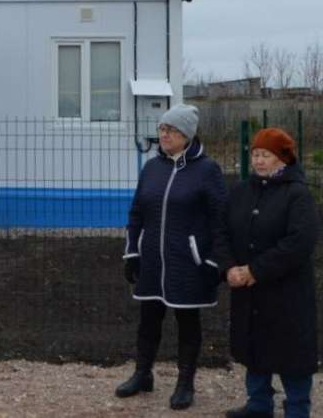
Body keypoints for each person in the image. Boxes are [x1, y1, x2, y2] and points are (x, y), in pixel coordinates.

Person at [117, 104, 227, 411]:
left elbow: (221, 220)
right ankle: (142, 373)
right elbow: (136, 213)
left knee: (187, 322)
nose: (164, 135)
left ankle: (185, 383)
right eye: (162, 129)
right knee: (148, 319)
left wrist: (214, 261)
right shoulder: (152, 168)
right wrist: (132, 251)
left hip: (188, 262)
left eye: (171, 130)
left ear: (187, 135)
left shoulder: (207, 170)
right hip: (153, 260)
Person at [216, 128, 318, 418]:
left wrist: (255, 270)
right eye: (256, 154)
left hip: (287, 293)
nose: (259, 161)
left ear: (283, 159)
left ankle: (297, 409)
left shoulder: (297, 194)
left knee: (292, 355)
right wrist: (228, 267)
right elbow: (221, 232)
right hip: (249, 291)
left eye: (266, 155)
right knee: (254, 348)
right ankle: (259, 404)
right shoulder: (240, 191)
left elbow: (299, 243)